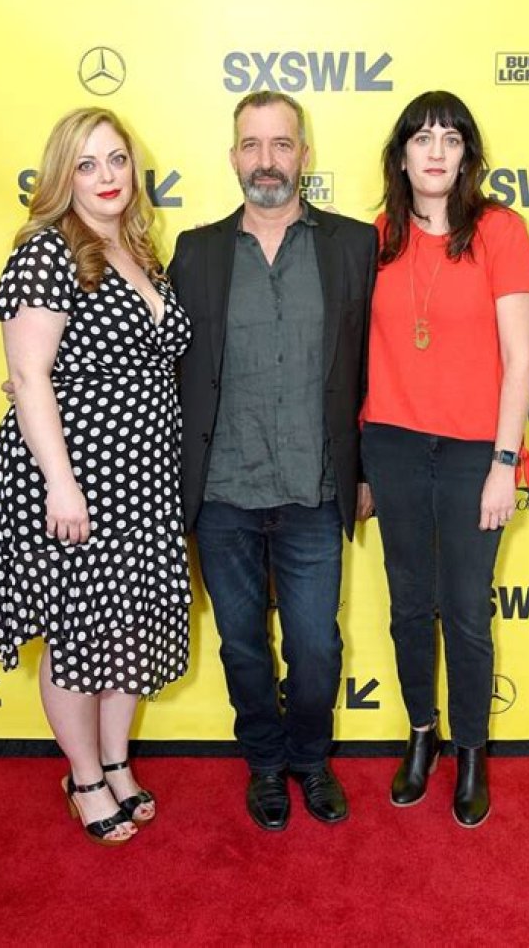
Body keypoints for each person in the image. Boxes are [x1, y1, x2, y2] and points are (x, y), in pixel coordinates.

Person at [0, 107, 192, 845]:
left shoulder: (139, 250)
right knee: (77, 631)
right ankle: (85, 776)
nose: (106, 176)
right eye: (87, 163)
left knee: (127, 625)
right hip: (77, 477)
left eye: (117, 159)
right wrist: (62, 485)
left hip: (144, 480)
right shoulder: (47, 252)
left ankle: (117, 761)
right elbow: (29, 375)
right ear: (62, 175)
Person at [169, 91, 377, 831]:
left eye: (281, 144)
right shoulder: (196, 251)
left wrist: (364, 470)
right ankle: (263, 763)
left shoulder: (353, 245)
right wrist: (50, 377)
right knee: (243, 645)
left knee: (316, 647)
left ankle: (311, 760)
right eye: (252, 145)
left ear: (304, 156)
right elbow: (154, 355)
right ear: (233, 157)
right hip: (222, 492)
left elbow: (374, 366)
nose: (267, 161)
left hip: (313, 489)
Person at [360, 90, 529, 828]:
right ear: (401, 155)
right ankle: (421, 735)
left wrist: (504, 462)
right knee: (409, 607)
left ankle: (471, 749)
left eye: (451, 138)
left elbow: (520, 359)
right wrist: (362, 467)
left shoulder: (500, 230)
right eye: (422, 137)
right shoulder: (376, 236)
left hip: (474, 453)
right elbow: (354, 357)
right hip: (392, 445)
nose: (436, 151)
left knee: (466, 610)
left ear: (467, 155)